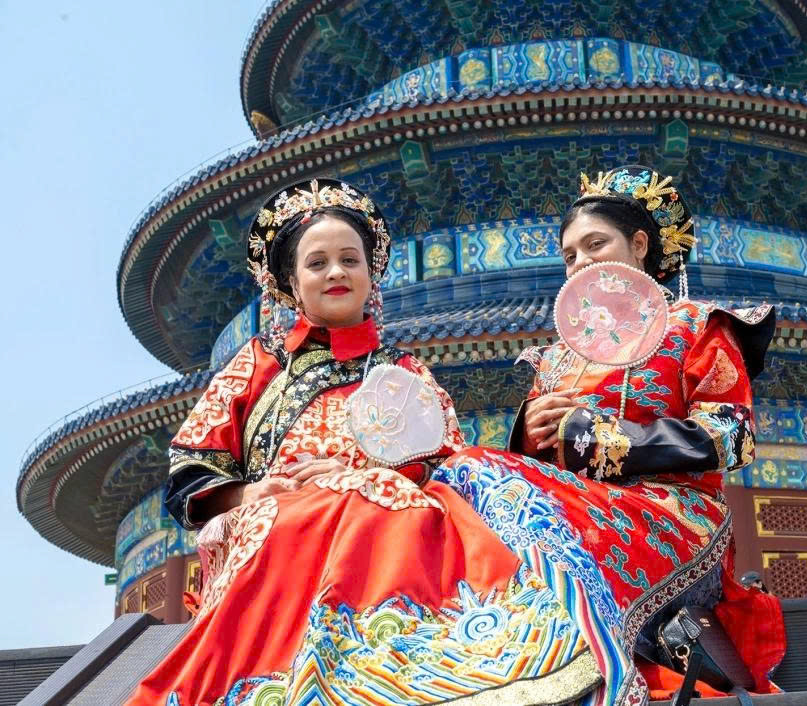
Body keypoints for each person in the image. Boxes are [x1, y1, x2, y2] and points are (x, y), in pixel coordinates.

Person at [126, 179, 600, 706]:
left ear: (371, 273)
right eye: (318, 263)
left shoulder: (405, 372)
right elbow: (191, 468)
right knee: (289, 519)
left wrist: (362, 478)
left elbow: (445, 468)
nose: (336, 272)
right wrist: (249, 493)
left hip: (375, 523)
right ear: (291, 282)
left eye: (350, 260)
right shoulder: (258, 365)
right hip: (273, 518)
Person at [434, 166, 786, 702]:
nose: (580, 262)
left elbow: (731, 435)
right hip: (578, 508)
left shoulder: (696, 326)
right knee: (464, 472)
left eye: (595, 245)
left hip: (676, 512)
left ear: (639, 245)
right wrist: (530, 435)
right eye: (569, 255)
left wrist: (606, 440)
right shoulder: (557, 356)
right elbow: (536, 471)